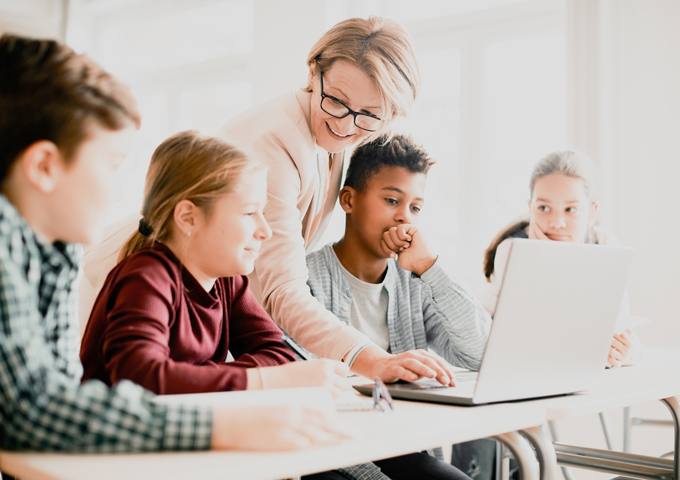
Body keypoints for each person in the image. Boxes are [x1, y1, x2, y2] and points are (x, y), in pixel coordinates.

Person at [0, 33, 350, 454]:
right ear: (43, 166)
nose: (116, 194)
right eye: (112, 165)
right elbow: (37, 413)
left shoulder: (55, 251)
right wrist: (227, 420)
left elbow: (56, 400)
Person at [217, 17, 456, 385]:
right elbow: (281, 289)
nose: (345, 127)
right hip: (157, 299)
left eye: (369, 115)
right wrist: (375, 361)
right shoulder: (274, 142)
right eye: (336, 102)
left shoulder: (337, 137)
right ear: (314, 73)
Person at [80, 130, 350, 397]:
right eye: (248, 213)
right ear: (188, 217)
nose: (265, 230)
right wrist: (262, 379)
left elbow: (279, 355)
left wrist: (195, 377)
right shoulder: (146, 278)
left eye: (262, 212)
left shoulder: (226, 280)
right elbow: (141, 379)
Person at [305, 134, 492, 480]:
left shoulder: (415, 282)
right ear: (349, 199)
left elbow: (482, 355)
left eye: (415, 208)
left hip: (402, 449)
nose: (404, 219)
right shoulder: (304, 280)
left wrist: (430, 266)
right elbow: (305, 399)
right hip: (326, 453)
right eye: (392, 200)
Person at [481, 149, 643, 368]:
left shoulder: (605, 245)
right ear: (530, 208)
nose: (556, 222)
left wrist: (628, 353)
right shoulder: (512, 250)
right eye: (544, 208)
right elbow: (501, 338)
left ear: (592, 213)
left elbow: (626, 333)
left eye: (571, 209)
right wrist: (547, 262)